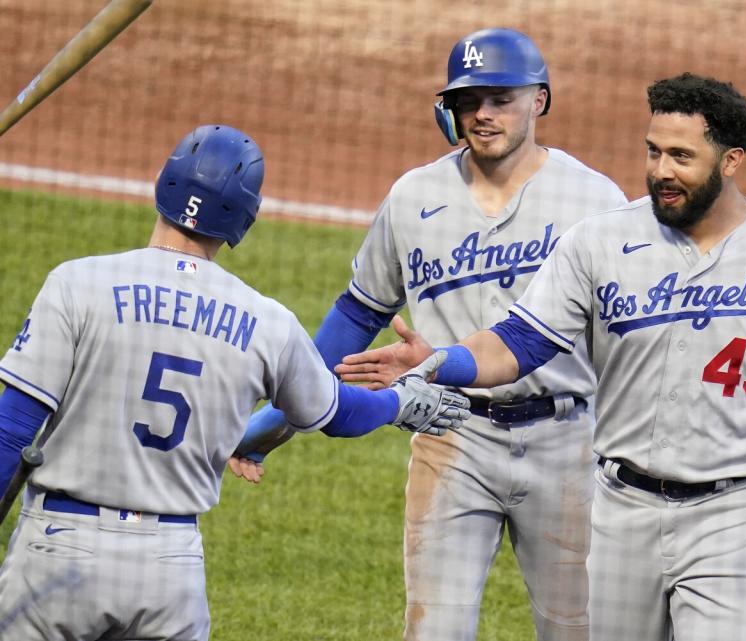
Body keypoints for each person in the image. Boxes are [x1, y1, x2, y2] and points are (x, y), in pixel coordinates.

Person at [336, 73, 746, 641]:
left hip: (736, 516)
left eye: (682, 156)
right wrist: (440, 360)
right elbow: (519, 342)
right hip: (619, 509)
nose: (661, 171)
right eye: (653, 151)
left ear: (731, 161)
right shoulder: (599, 242)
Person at [0, 124, 469, 641]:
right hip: (167, 568)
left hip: (62, 547)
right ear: (245, 218)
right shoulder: (265, 320)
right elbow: (338, 413)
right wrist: (400, 403)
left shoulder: (77, 284)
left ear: (162, 183)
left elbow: (12, 428)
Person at [234, 28, 626, 641]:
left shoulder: (593, 200)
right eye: (470, 100)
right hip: (450, 434)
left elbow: (628, 337)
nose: (484, 114)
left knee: (582, 631)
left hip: (569, 442)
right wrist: (279, 417)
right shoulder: (414, 196)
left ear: (539, 100)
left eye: (501, 97)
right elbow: (358, 314)